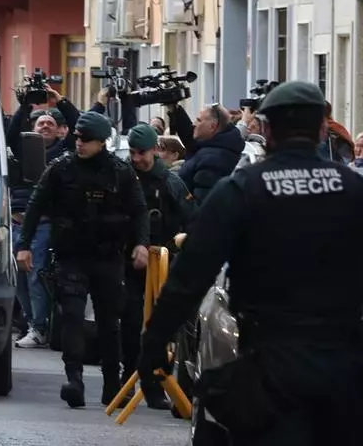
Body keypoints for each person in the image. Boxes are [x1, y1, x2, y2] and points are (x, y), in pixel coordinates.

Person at [139, 81, 363, 445]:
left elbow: (191, 275)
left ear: (266, 130)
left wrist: (155, 344)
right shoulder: (353, 191)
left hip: (269, 369)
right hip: (343, 372)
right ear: (323, 129)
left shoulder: (242, 189)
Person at [18, 111, 149, 408]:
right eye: (77, 137)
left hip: (108, 257)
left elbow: (140, 210)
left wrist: (141, 244)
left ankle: (112, 384)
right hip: (72, 256)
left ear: (102, 142)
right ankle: (74, 379)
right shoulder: (61, 168)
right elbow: (36, 205)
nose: (79, 143)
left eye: (86, 139)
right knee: (73, 318)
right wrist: (24, 245)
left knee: (109, 323)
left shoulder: (120, 172)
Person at [121, 124, 195, 410]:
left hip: (162, 264)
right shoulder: (123, 176)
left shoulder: (170, 182)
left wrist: (180, 249)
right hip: (128, 261)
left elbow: (192, 220)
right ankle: (127, 376)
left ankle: (154, 384)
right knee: (128, 323)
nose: (136, 158)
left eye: (141, 152)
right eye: (132, 152)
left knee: (160, 328)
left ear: (155, 150)